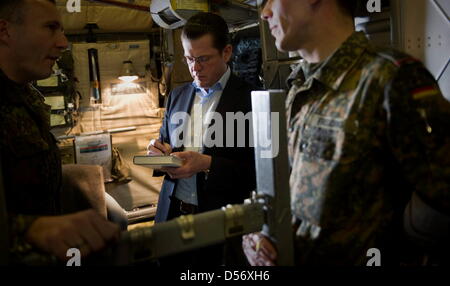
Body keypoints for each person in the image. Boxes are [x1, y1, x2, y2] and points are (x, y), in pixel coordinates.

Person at [243, 0, 450, 266]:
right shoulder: (299, 86)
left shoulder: (389, 79)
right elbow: (286, 185)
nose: (265, 12)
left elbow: (441, 205)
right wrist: (257, 234)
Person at [0, 0, 121, 264]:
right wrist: (29, 229)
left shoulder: (28, 94)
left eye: (62, 30)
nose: (63, 43)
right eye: (50, 28)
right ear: (5, 31)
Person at [147, 12, 256, 266]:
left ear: (227, 52)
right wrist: (156, 153)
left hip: (220, 225)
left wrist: (207, 163)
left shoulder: (253, 99)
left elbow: (260, 174)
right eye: (189, 59)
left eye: (203, 59)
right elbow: (165, 144)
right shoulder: (176, 95)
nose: (195, 68)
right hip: (172, 218)